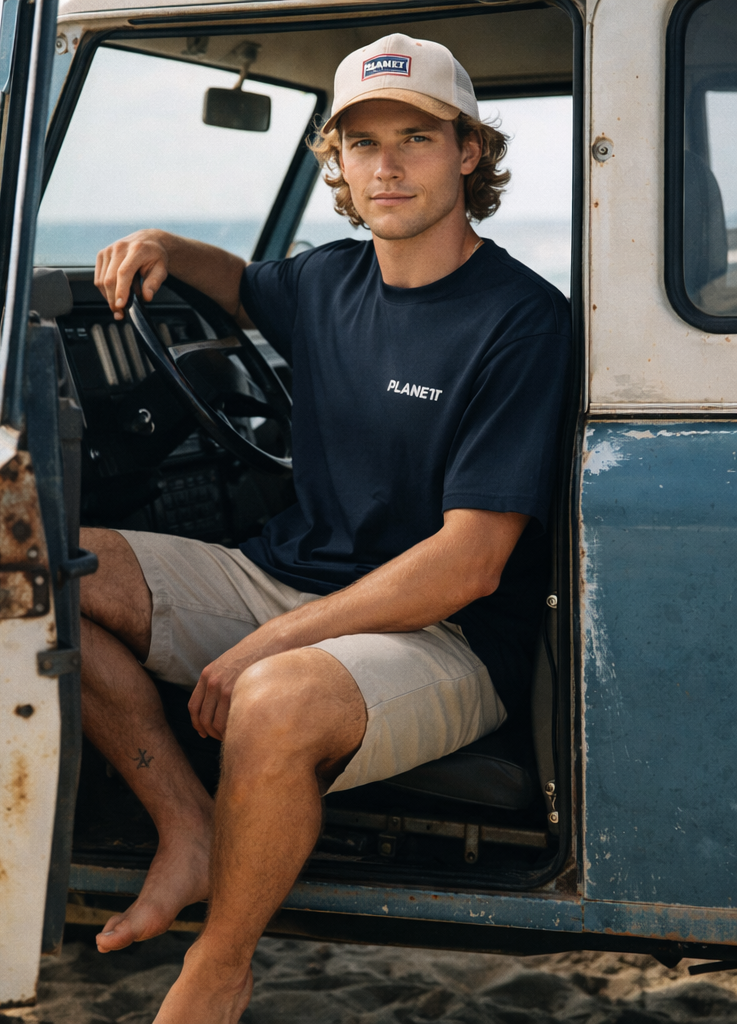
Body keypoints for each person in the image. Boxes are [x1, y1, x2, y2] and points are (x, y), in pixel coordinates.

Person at [79, 32, 571, 1024]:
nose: (385, 165)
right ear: (335, 162)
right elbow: (237, 280)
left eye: (416, 138)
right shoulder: (325, 281)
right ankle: (189, 831)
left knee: (270, 698)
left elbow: (469, 562)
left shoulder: (522, 320)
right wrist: (165, 249)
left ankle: (217, 967)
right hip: (291, 578)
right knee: (46, 569)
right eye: (362, 142)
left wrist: (264, 640)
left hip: (441, 634)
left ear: (468, 152)